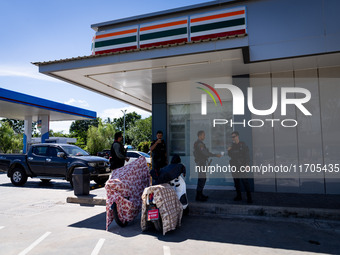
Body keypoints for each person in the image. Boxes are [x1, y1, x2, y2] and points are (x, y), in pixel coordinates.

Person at [193, 130, 221, 202]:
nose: (204, 136)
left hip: (201, 162)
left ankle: (200, 194)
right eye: (203, 135)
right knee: (202, 179)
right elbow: (205, 153)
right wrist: (215, 155)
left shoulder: (199, 143)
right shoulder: (200, 144)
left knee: (202, 179)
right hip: (201, 163)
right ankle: (198, 196)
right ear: (200, 136)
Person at [227, 131, 253, 203]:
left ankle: (249, 197)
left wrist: (247, 164)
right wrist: (228, 151)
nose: (233, 138)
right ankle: (239, 196)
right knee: (236, 182)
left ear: (237, 136)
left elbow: (246, 155)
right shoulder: (232, 146)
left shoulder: (242, 144)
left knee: (245, 181)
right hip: (234, 166)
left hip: (242, 165)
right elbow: (230, 155)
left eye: (234, 136)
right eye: (232, 137)